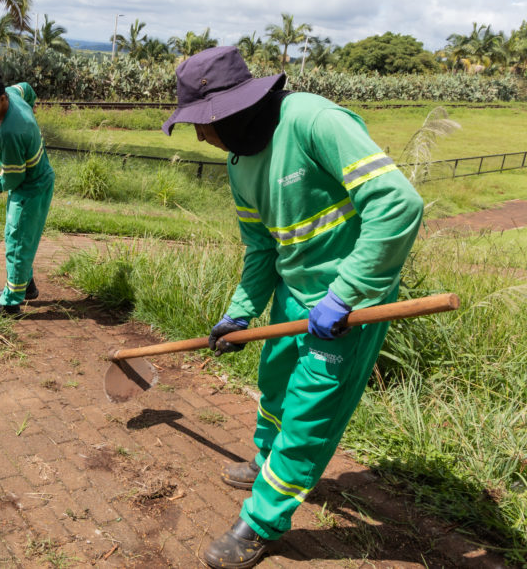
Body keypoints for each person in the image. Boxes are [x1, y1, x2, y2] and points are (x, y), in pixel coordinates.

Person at [161, 46, 423, 568]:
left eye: (198, 123)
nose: (198, 136)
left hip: (348, 306)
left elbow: (398, 203)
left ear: (226, 112)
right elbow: (262, 250)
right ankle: (265, 462)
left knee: (308, 414)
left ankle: (261, 522)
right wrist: (238, 312)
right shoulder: (240, 166)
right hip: (293, 297)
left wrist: (346, 293)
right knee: (276, 384)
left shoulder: (313, 121)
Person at [0, 72, 54, 317]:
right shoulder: (14, 94)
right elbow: (26, 87)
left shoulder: (11, 132)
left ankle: (10, 304)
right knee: (22, 239)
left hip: (30, 187)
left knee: (16, 241)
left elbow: (15, 177)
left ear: (2, 99)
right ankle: (26, 286)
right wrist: (32, 108)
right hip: (36, 178)